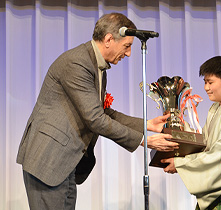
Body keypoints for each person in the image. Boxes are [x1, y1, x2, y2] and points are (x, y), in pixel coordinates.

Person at [16, 13, 178, 210]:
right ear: (109, 39)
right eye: (127, 46)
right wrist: (144, 140)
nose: (128, 54)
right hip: (48, 160)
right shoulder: (77, 63)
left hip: (66, 163)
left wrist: (147, 125)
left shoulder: (96, 66)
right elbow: (95, 119)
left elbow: (103, 112)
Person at [161, 56, 221, 210]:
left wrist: (180, 164)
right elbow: (205, 142)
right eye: (205, 82)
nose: (206, 88)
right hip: (217, 189)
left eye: (210, 82)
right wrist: (181, 127)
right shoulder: (217, 107)